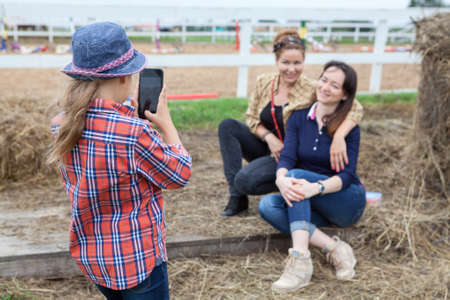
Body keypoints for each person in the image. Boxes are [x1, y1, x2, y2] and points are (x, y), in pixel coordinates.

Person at [47, 22, 192, 299]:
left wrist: (127, 112)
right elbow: (179, 174)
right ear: (125, 77)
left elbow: (105, 130)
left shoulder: (61, 124)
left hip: (95, 256)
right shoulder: (135, 133)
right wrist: (168, 125)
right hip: (138, 261)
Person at [218, 29, 363, 216]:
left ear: (304, 62)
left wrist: (340, 136)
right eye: (285, 62)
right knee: (227, 126)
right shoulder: (264, 82)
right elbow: (251, 117)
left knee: (246, 180)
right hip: (267, 145)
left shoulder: (312, 88)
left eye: (297, 63)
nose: (291, 69)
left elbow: (355, 106)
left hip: (290, 154)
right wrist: (269, 137)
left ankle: (289, 185)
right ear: (277, 62)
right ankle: (237, 197)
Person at [258, 61, 366, 292]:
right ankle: (335, 248)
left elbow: (347, 176)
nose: (325, 87)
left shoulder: (350, 128)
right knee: (267, 205)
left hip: (345, 199)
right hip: (308, 198)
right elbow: (286, 157)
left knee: (296, 177)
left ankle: (300, 262)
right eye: (324, 80)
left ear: (345, 94)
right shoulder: (298, 118)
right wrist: (280, 180)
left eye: (334, 85)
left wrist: (315, 188)